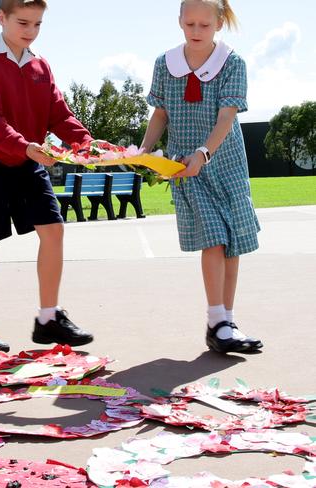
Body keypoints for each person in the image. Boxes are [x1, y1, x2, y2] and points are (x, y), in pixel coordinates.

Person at [0, 0, 96, 353]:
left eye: (37, 24)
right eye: (22, 22)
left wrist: (85, 142)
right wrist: (26, 147)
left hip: (27, 159)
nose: (29, 31)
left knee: (53, 229)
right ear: (1, 18)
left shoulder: (40, 66)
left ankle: (48, 319)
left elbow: (58, 114)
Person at [141, 0, 262, 354]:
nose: (196, 32)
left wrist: (205, 153)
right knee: (214, 237)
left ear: (219, 23)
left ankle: (225, 321)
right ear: (179, 20)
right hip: (185, 166)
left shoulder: (233, 63)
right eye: (189, 24)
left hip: (224, 162)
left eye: (204, 26)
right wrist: (145, 149)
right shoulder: (165, 64)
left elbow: (227, 117)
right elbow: (160, 113)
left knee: (232, 241)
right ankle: (217, 321)